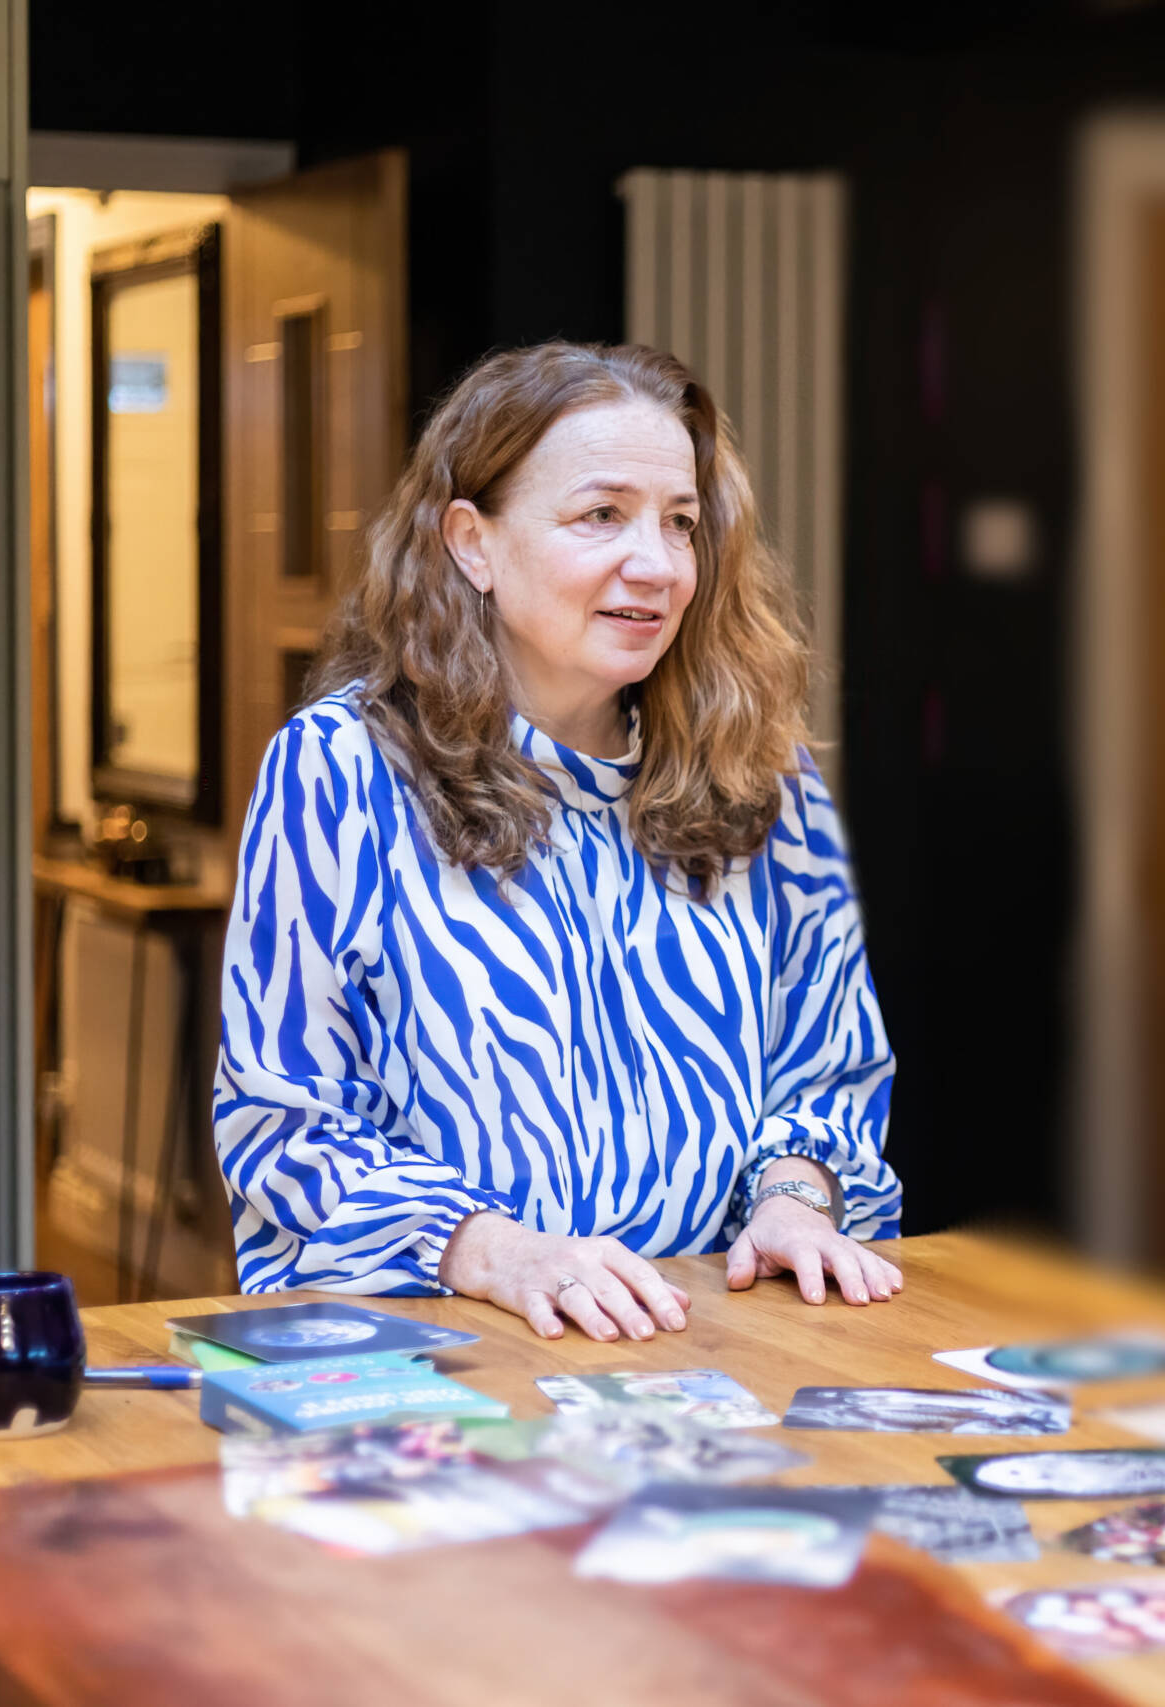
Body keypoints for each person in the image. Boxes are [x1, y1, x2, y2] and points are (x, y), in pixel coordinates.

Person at [214, 342, 903, 1342]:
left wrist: (793, 1200)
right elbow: (286, 1123)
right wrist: (500, 1252)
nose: (658, 565)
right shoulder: (340, 771)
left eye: (680, 524)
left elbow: (825, 1077)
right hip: (446, 1361)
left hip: (713, 1353)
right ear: (472, 543)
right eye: (601, 516)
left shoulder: (766, 776)